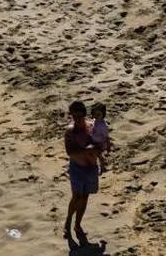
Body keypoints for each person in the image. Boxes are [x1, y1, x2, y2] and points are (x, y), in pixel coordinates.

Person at [65, 100, 101, 241]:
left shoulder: (92, 127)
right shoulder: (70, 131)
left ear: (84, 114)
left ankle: (77, 225)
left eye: (79, 116)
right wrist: (86, 151)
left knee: (85, 197)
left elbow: (100, 146)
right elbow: (69, 152)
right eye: (74, 116)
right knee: (76, 197)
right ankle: (68, 221)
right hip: (77, 168)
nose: (76, 119)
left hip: (91, 168)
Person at [90, 103, 111, 174]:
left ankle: (102, 167)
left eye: (98, 115)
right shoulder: (94, 121)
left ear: (103, 115)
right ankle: (100, 165)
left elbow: (106, 137)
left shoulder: (103, 126)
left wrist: (108, 146)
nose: (96, 116)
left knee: (98, 154)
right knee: (95, 154)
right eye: (94, 114)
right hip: (94, 140)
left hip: (100, 143)